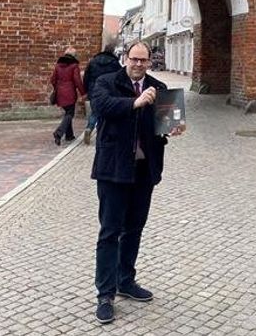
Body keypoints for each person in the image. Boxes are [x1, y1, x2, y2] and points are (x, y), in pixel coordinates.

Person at [91, 41, 186, 325]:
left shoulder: (158, 87)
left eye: (144, 60)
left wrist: (173, 127)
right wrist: (135, 102)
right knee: (110, 231)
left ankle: (125, 280)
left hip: (144, 171)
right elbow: (102, 107)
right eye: (134, 59)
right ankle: (105, 294)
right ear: (126, 58)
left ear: (149, 63)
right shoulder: (107, 82)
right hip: (113, 170)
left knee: (134, 229)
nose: (139, 64)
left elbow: (164, 126)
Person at [82, 45, 122, 145]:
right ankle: (102, 133)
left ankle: (89, 128)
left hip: (93, 90)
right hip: (109, 90)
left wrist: (86, 90)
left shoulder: (93, 61)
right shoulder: (114, 63)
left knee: (95, 111)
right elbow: (120, 78)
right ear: (112, 51)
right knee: (107, 112)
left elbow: (86, 77)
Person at [50, 46, 86, 145]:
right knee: (70, 114)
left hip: (60, 93)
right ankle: (59, 132)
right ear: (74, 56)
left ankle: (69, 135)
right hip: (70, 93)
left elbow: (53, 79)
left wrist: (58, 88)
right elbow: (78, 81)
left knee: (68, 113)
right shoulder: (74, 66)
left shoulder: (58, 65)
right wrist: (83, 93)